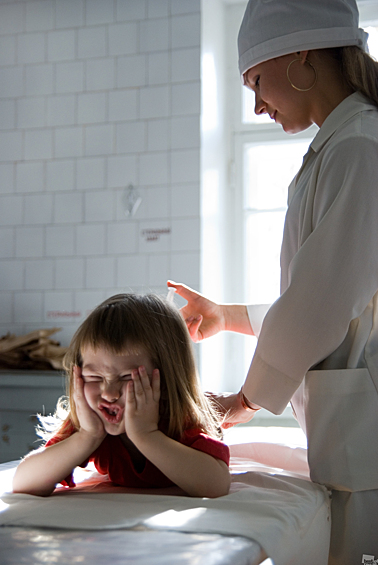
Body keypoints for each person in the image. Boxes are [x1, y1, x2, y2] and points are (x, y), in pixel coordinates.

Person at [168, 0, 378, 562]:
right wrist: (228, 315)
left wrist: (244, 400)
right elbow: (332, 299)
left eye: (256, 80)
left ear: (301, 53)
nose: (257, 105)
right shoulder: (339, 148)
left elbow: (316, 312)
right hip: (351, 437)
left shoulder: (359, 148)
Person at [13, 294, 230, 499]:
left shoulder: (178, 417)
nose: (109, 393)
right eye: (94, 377)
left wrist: (146, 434)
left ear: (166, 379)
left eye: (128, 377)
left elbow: (216, 485)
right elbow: (24, 483)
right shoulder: (91, 421)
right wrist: (87, 437)